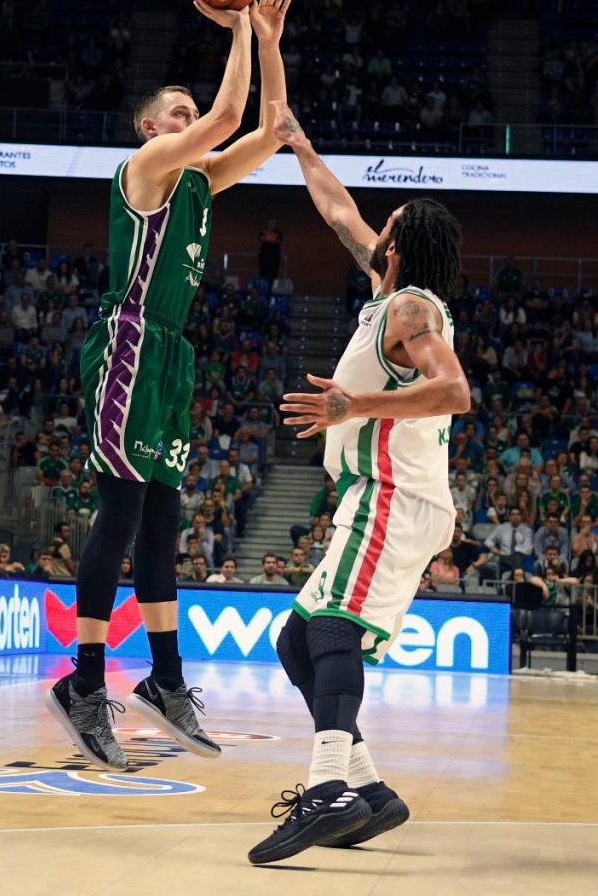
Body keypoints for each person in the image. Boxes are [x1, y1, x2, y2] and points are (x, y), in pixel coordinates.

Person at [46, 0, 293, 772]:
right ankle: (83, 687)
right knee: (117, 517)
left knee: (161, 528)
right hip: (129, 342)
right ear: (150, 127)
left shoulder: (199, 181)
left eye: (191, 115)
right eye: (177, 114)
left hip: (173, 355)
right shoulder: (147, 167)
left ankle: (167, 679)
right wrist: (234, 34)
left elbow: (270, 128)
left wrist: (268, 37)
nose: (192, 122)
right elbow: (226, 120)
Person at [248, 102, 467, 865]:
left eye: (390, 220)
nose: (375, 225)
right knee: (296, 638)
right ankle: (367, 792)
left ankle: (323, 791)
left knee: (334, 628)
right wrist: (298, 142)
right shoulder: (385, 296)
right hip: (374, 494)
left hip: (393, 493)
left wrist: (356, 403)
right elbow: (335, 206)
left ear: (401, 243)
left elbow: (454, 390)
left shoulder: (412, 309)